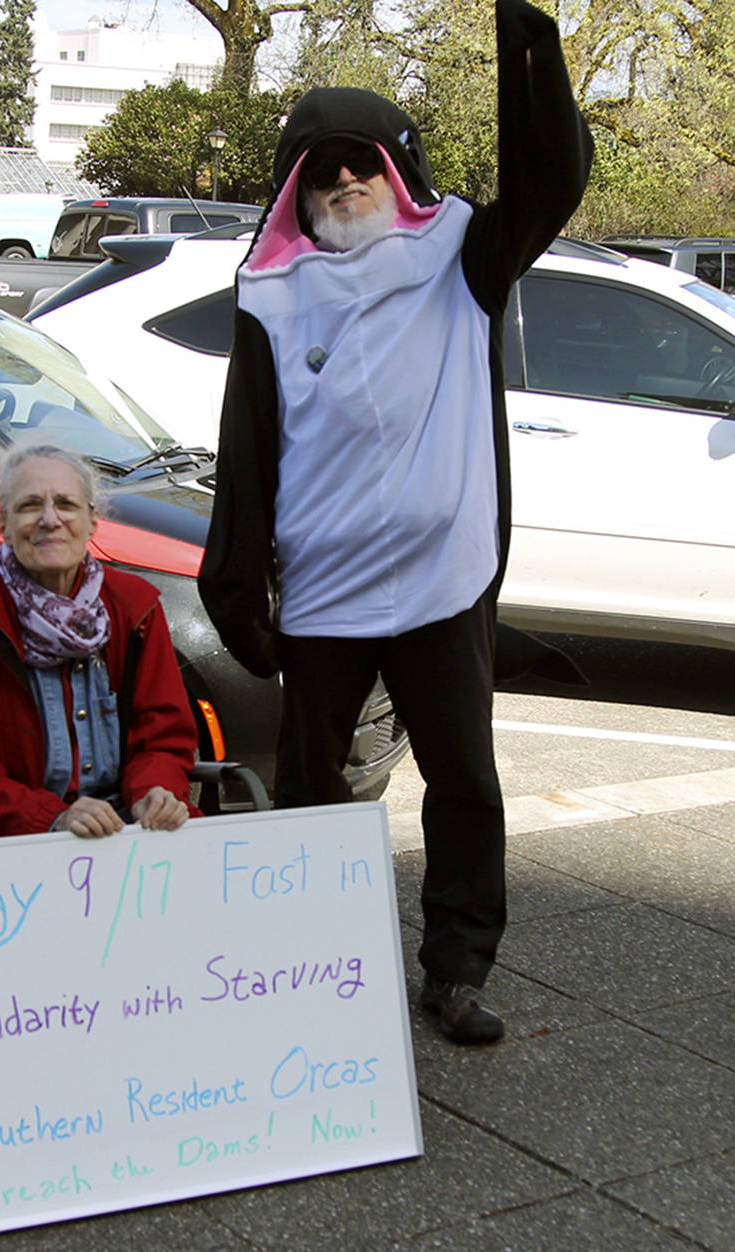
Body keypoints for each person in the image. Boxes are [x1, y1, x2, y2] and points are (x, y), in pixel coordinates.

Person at [198, 0, 593, 1044]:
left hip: (439, 579)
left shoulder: (461, 256)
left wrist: (527, 46)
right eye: (319, 171)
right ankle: (313, 967)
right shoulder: (271, 295)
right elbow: (246, 448)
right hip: (323, 591)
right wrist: (234, 585)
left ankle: (454, 969)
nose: (342, 183)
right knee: (313, 787)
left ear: (395, 167)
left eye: (360, 164)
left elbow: (551, 179)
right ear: (294, 187)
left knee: (462, 779)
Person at [0, 442, 197, 847]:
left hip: (122, 828)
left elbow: (163, 735)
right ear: (3, 524)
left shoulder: (136, 607)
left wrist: (154, 791)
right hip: (8, 834)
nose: (50, 520)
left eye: (66, 504)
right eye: (30, 506)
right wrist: (55, 816)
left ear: (92, 521)